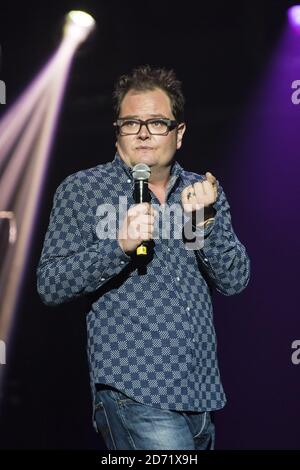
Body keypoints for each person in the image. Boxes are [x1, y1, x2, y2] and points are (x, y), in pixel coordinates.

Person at [37, 65, 250, 450]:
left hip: (202, 395)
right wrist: (117, 247)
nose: (144, 132)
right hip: (134, 389)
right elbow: (49, 284)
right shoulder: (84, 190)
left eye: (157, 122)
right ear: (117, 132)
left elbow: (234, 280)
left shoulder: (202, 192)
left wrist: (206, 222)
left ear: (179, 133)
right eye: (131, 123)